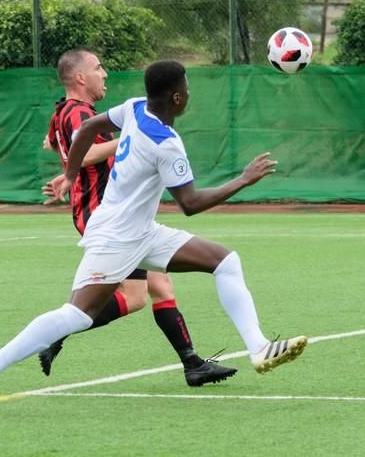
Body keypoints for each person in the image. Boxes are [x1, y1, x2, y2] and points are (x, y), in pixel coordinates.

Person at [0, 60, 307, 416]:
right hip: (116, 237)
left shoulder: (135, 106)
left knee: (225, 261)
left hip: (143, 232)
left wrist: (69, 174)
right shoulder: (166, 142)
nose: (189, 94)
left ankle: (259, 347)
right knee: (78, 315)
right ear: (176, 97)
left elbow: (89, 128)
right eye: (187, 89)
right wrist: (243, 180)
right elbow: (189, 203)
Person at [39, 49, 237, 387]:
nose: (105, 74)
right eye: (99, 68)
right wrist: (129, 140)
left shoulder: (62, 111)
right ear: (80, 77)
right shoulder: (78, 111)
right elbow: (83, 151)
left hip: (105, 212)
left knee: (157, 287)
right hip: (106, 212)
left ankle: (192, 363)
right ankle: (55, 333)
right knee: (135, 297)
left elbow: (50, 143)